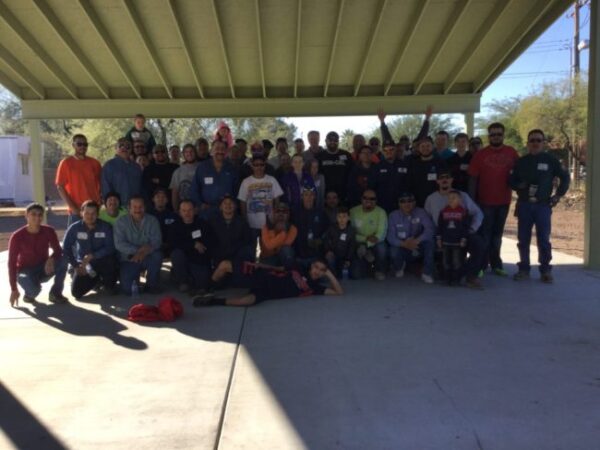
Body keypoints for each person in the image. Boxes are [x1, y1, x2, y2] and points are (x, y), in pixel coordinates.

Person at [509, 129, 570, 283]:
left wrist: (557, 195)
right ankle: (523, 269)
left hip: (543, 206)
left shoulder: (551, 160)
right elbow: (510, 180)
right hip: (524, 205)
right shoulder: (521, 161)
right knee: (523, 239)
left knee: (543, 239)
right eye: (532, 140)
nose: (535, 143)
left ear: (543, 143)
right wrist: (518, 185)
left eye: (538, 140)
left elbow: (565, 177)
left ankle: (545, 271)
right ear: (527, 143)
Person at [468, 122, 519, 276]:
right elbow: (472, 178)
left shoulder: (511, 152)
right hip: (484, 202)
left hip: (504, 202)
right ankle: (481, 266)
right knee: (485, 235)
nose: (496, 137)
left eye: (499, 134)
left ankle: (496, 264)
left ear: (503, 135)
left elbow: (520, 174)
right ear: (488, 136)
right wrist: (472, 202)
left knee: (497, 236)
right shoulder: (480, 155)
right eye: (493, 134)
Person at [424, 170, 485, 289]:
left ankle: (471, 276)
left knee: (479, 245)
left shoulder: (463, 196)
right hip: (443, 234)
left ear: (452, 180)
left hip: (462, 233)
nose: (444, 180)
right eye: (441, 178)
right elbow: (427, 220)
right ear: (437, 181)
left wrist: (472, 229)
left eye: (447, 177)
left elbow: (478, 213)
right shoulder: (431, 199)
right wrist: (436, 236)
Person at [194, 259, 343, 307]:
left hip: (269, 293)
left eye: (321, 270)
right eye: (316, 267)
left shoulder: (315, 288)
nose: (317, 271)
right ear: (311, 266)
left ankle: (212, 301)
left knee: (246, 301)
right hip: (262, 276)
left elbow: (339, 292)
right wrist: (258, 265)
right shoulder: (299, 267)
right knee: (225, 265)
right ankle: (207, 288)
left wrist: (329, 274)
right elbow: (277, 268)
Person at [8, 203, 68, 306]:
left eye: (40, 214)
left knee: (63, 260)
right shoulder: (17, 236)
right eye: (33, 214)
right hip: (24, 271)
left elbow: (58, 250)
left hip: (43, 268)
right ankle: (29, 295)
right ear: (26, 215)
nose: (37, 217)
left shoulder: (49, 231)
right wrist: (14, 289)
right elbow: (11, 263)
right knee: (34, 291)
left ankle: (55, 293)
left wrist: (51, 259)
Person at [62, 200, 118, 298]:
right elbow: (66, 248)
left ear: (98, 214)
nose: (90, 216)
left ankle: (107, 283)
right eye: (87, 213)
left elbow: (111, 247)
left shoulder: (106, 227)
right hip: (84, 264)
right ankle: (96, 280)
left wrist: (93, 255)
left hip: (103, 261)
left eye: (93, 213)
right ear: (81, 213)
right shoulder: (75, 228)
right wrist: (75, 265)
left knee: (111, 265)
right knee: (76, 293)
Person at [113, 196, 163, 295]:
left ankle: (151, 285)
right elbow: (119, 244)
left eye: (140, 207)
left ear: (145, 207)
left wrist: (144, 252)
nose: (138, 210)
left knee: (157, 255)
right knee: (128, 290)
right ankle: (132, 277)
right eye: (134, 207)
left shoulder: (152, 220)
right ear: (129, 208)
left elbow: (157, 241)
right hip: (129, 259)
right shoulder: (120, 222)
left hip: (147, 257)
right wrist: (138, 250)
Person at [386, 193, 435, 283]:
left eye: (409, 201)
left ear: (414, 202)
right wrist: (404, 244)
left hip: (418, 244)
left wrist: (417, 240)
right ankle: (400, 267)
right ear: (399, 203)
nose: (406, 204)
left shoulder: (421, 212)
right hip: (402, 245)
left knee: (430, 243)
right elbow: (390, 237)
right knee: (393, 251)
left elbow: (430, 229)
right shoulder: (393, 215)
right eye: (403, 201)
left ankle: (426, 273)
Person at [55, 134, 102, 225]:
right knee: (75, 238)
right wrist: (73, 208)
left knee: (95, 238)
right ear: (73, 145)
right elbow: (60, 187)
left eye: (85, 144)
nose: (82, 147)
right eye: (79, 144)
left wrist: (99, 204)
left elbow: (101, 185)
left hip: (93, 210)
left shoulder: (95, 163)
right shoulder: (66, 163)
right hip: (76, 211)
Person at [168, 200, 211, 293]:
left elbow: (209, 241)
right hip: (182, 257)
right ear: (179, 212)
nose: (187, 213)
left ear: (195, 210)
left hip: (198, 257)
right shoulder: (174, 226)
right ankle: (182, 281)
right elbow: (173, 243)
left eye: (190, 210)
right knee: (176, 254)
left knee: (202, 285)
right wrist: (193, 244)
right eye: (184, 210)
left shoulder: (202, 224)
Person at [190, 140, 239, 219]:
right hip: (206, 213)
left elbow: (237, 191)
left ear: (226, 151)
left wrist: (233, 205)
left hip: (227, 213)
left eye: (223, 149)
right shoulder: (202, 167)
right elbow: (194, 190)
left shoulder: (232, 168)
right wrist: (200, 204)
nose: (220, 151)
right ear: (211, 150)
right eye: (217, 148)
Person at [238, 154, 284, 237]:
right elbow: (242, 202)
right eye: (256, 165)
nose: (259, 167)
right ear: (252, 166)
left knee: (268, 248)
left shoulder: (272, 180)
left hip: (269, 222)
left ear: (265, 166)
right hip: (252, 223)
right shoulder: (246, 182)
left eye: (261, 165)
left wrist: (275, 217)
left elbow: (277, 200)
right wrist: (245, 220)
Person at [207, 195, 255, 269]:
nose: (228, 205)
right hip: (218, 258)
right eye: (225, 203)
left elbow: (247, 242)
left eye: (231, 203)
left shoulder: (242, 222)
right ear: (220, 207)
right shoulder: (212, 222)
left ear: (235, 206)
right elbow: (210, 242)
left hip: (237, 259)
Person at [350, 189, 388, 280]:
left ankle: (379, 271)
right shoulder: (353, 211)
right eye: (365, 198)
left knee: (382, 249)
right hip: (358, 242)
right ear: (361, 199)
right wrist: (365, 239)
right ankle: (366, 265)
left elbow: (381, 233)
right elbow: (350, 233)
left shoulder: (381, 212)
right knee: (357, 275)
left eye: (372, 199)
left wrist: (368, 243)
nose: (368, 200)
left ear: (376, 200)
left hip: (375, 242)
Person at [436, 190, 470, 285]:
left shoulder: (463, 212)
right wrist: (439, 238)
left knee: (456, 262)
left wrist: (463, 239)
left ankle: (456, 279)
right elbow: (440, 226)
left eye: (454, 198)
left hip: (457, 242)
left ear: (459, 199)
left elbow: (465, 227)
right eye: (449, 198)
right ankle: (447, 279)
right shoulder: (443, 211)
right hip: (445, 241)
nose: (451, 200)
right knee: (445, 262)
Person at [291, 187, 329, 268]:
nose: (309, 198)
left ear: (314, 196)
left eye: (311, 195)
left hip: (316, 256)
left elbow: (327, 231)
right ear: (302, 197)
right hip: (299, 256)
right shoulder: (295, 213)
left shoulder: (321, 213)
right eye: (306, 195)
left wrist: (321, 240)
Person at [101, 138, 143, 206]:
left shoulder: (136, 167)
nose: (124, 148)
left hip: (135, 207)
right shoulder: (109, 165)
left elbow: (141, 188)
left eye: (128, 146)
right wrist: (111, 205)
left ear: (131, 149)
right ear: (116, 148)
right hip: (117, 207)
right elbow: (106, 188)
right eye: (121, 146)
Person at [373, 139, 409, 214]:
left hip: (402, 205)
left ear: (396, 150)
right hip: (383, 205)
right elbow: (373, 186)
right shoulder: (377, 167)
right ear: (382, 152)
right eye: (385, 150)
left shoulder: (405, 165)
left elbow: (410, 184)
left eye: (391, 149)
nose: (388, 152)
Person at [408, 136, 446, 207]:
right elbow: (409, 183)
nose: (425, 148)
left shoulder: (440, 162)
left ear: (433, 146)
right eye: (422, 146)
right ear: (418, 148)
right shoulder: (413, 163)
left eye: (428, 146)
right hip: (418, 203)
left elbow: (446, 182)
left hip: (437, 202)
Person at [317, 131, 353, 202]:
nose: (333, 142)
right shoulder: (319, 156)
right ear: (326, 141)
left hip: (343, 194)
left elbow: (351, 174)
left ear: (338, 141)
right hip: (325, 195)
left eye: (335, 140)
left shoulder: (347, 155)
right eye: (330, 140)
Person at [260, 203, 297, 269]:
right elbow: (268, 246)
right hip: (268, 257)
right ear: (274, 213)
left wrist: (283, 232)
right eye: (278, 211)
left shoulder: (293, 228)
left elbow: (284, 246)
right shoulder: (266, 226)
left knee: (287, 250)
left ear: (288, 214)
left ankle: (288, 273)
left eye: (284, 211)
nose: (281, 214)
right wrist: (281, 233)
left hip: (282, 258)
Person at [323, 206, 357, 277]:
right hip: (334, 255)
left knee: (355, 274)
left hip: (345, 256)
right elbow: (326, 241)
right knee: (329, 258)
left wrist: (348, 259)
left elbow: (352, 246)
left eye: (344, 216)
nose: (342, 219)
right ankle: (333, 274)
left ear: (348, 218)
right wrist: (328, 250)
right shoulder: (331, 228)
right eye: (339, 216)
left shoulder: (351, 230)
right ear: (336, 218)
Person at [148, 188, 178, 254]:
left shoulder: (173, 216)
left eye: (163, 197)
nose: (160, 199)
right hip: (152, 247)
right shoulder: (147, 216)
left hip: (170, 247)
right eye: (158, 197)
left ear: (167, 200)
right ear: (153, 199)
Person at [170, 143, 198, 210]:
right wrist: (176, 210)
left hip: (198, 208)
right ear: (183, 154)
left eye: (191, 151)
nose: (189, 154)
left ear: (195, 153)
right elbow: (175, 193)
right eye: (187, 152)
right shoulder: (177, 171)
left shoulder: (202, 168)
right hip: (183, 210)